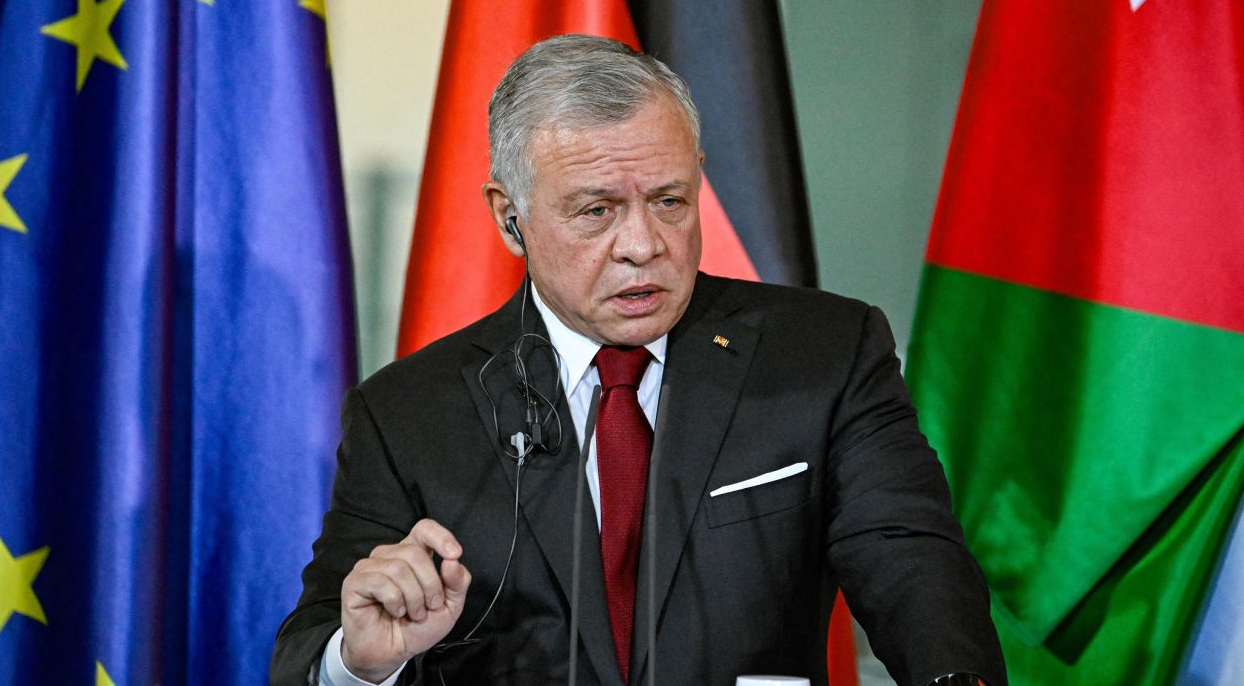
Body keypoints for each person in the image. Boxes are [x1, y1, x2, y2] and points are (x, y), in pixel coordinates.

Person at [271, 35, 1006, 686]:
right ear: (509, 216)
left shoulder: (825, 355)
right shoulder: (409, 412)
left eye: (669, 200)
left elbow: (909, 555)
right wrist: (362, 663)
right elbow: (312, 650)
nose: (643, 244)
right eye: (597, 210)